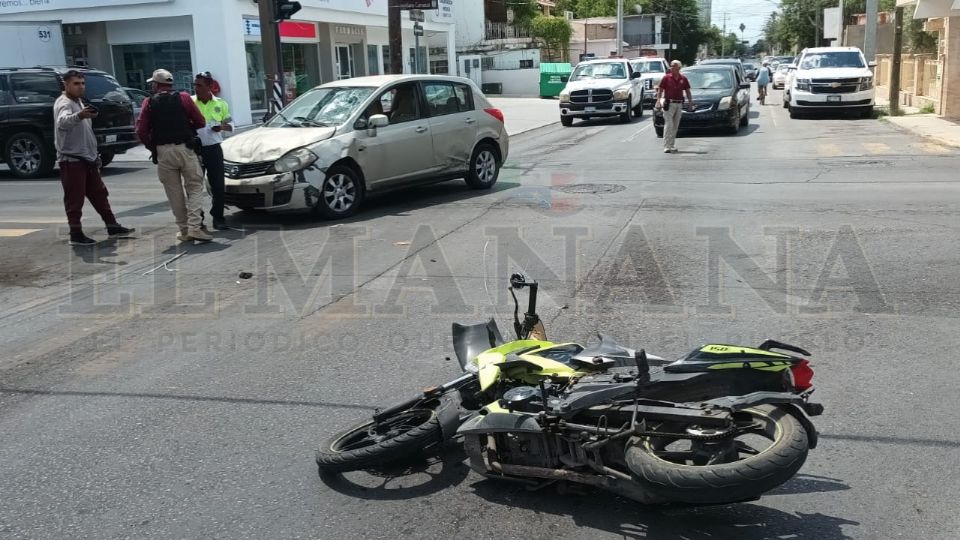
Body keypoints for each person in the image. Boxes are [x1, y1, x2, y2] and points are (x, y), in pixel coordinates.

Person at [53, 70, 134, 245]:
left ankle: (112, 225)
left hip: (87, 159)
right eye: (76, 83)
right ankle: (75, 234)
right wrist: (80, 115)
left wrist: (94, 155)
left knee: (99, 194)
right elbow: (62, 122)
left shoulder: (79, 102)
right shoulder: (64, 103)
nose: (80, 87)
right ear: (65, 85)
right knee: (75, 199)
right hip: (72, 160)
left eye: (82, 83)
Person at [136, 69, 211, 242]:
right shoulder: (184, 98)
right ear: (170, 84)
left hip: (163, 152)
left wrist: (152, 147)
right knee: (194, 187)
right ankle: (194, 227)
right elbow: (200, 122)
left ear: (155, 84)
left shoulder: (149, 102)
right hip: (185, 149)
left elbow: (141, 131)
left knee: (174, 192)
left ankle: (184, 230)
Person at [192, 72, 233, 230]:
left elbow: (230, 125)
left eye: (199, 85)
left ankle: (218, 218)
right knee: (194, 186)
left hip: (214, 149)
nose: (196, 88)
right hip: (195, 149)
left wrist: (220, 127)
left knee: (217, 185)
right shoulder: (190, 102)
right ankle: (198, 219)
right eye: (195, 85)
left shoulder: (221, 104)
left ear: (210, 86)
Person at [654, 60, 694, 154]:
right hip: (669, 103)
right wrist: (658, 101)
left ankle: (671, 145)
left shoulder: (683, 78)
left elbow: (688, 91)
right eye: (671, 66)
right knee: (669, 124)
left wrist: (690, 103)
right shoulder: (666, 78)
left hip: (679, 104)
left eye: (674, 66)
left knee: (675, 125)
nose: (671, 67)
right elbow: (660, 90)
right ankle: (666, 146)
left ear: (679, 68)